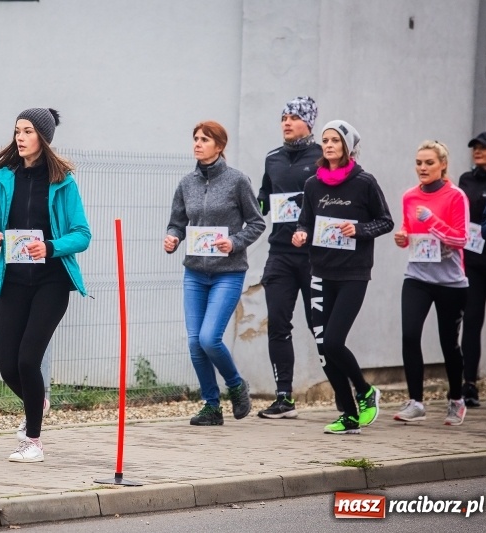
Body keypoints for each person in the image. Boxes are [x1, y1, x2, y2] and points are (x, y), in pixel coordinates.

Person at [0, 108, 90, 463]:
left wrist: (52, 247)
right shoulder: (4, 179)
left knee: (29, 361)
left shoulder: (63, 182)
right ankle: (36, 402)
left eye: (27, 131)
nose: (20, 138)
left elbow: (82, 234)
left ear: (43, 138)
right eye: (17, 131)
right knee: (8, 367)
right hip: (12, 280)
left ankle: (33, 441)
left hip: (51, 282)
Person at [292, 120, 393, 435]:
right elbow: (304, 221)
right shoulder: (312, 184)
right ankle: (348, 414)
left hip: (353, 274)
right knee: (324, 347)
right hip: (321, 272)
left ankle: (364, 391)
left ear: (348, 145)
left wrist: (359, 230)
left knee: (334, 341)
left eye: (335, 140)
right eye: (325, 140)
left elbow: (386, 221)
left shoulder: (364, 182)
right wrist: (301, 233)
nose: (329, 145)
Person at [164, 121, 266, 426]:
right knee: (195, 342)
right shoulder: (186, 184)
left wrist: (233, 243)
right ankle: (211, 406)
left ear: (219, 146)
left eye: (204, 139)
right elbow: (176, 223)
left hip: (228, 273)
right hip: (195, 273)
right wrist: (172, 237)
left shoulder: (237, 181)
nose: (197, 143)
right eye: (195, 138)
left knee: (210, 338)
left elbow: (257, 223)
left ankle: (236, 384)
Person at [393, 140, 469, 425]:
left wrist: (433, 220)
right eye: (419, 163)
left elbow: (461, 239)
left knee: (449, 344)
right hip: (417, 277)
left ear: (443, 165)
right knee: (410, 335)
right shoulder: (410, 196)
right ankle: (416, 402)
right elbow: (409, 231)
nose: (422, 168)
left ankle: (456, 399)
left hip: (450, 281)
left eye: (429, 163)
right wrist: (402, 236)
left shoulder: (456, 196)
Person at [256, 96, 322, 419]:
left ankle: (346, 391)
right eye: (283, 116)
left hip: (313, 256)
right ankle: (284, 397)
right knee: (278, 324)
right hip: (280, 252)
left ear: (308, 122)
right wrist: (258, 205)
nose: (286, 122)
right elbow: (265, 194)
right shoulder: (273, 158)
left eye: (294, 117)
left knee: (318, 326)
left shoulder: (322, 156)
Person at [458, 132, 486, 407]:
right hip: (472, 263)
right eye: (475, 147)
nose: (478, 151)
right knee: (471, 322)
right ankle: (469, 385)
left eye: (484, 148)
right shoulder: (466, 180)